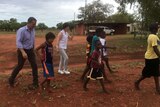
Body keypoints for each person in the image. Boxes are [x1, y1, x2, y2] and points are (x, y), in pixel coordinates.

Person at [8, 17, 39, 90]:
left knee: (34, 66)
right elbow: (18, 42)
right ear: (28, 23)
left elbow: (32, 40)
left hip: (30, 50)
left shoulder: (33, 30)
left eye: (35, 24)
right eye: (33, 24)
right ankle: (11, 80)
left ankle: (35, 83)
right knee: (20, 66)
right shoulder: (21, 30)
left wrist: (33, 49)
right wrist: (23, 52)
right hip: (22, 50)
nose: (34, 25)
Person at [135, 23, 160, 94]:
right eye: (157, 27)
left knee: (156, 73)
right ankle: (137, 82)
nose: (158, 28)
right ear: (154, 29)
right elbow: (155, 48)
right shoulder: (153, 37)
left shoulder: (152, 36)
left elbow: (157, 46)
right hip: (151, 58)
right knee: (147, 73)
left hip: (153, 58)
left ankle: (157, 89)